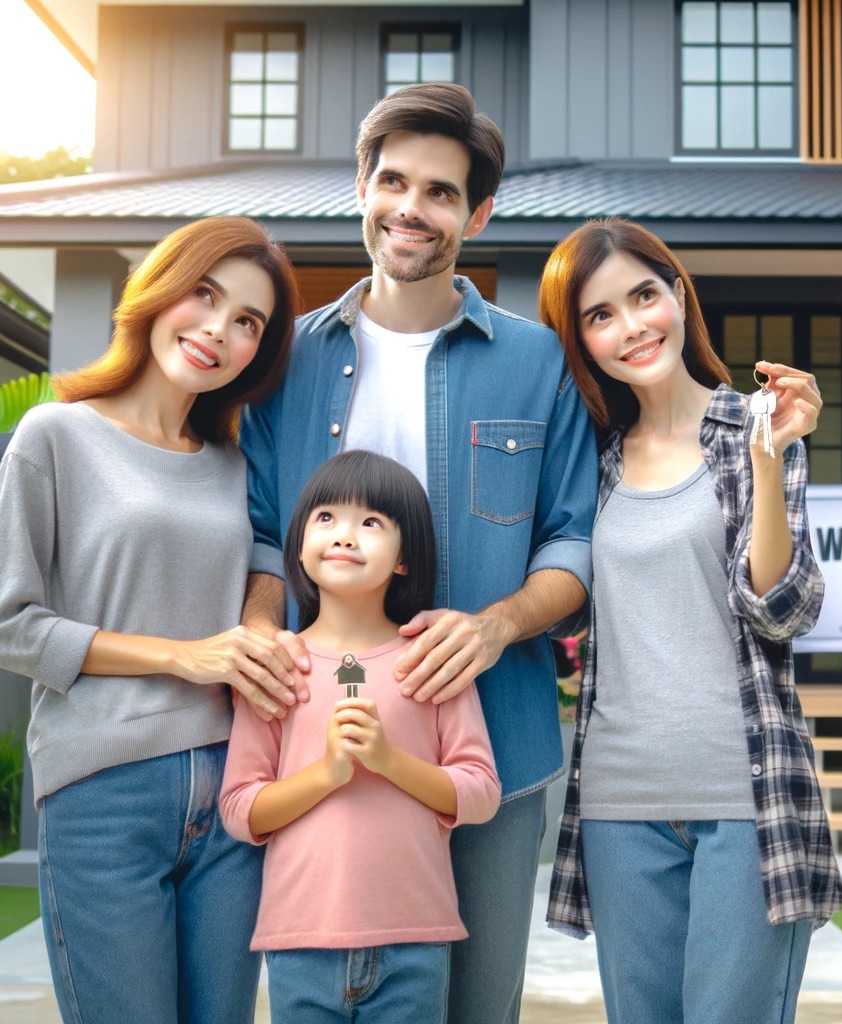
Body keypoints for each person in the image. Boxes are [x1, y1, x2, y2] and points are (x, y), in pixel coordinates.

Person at [239, 82, 598, 1024]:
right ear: (362, 188)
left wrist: (501, 623)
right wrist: (260, 637)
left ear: (477, 212)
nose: (412, 207)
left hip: (492, 748)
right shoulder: (288, 360)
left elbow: (574, 537)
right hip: (317, 745)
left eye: (441, 192)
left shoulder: (540, 362)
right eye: (393, 180)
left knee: (480, 1010)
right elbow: (259, 530)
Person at [538, 218, 842, 1024]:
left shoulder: (753, 427)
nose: (632, 326)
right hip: (616, 800)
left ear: (679, 294)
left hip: (744, 796)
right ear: (582, 341)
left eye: (644, 295)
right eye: (600, 315)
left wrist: (769, 460)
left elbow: (779, 609)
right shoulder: (591, 459)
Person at [0, 216, 305, 1024]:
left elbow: (267, 560)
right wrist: (184, 657)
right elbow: (11, 624)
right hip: (105, 792)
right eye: (205, 295)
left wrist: (260, 629)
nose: (218, 330)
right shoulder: (56, 435)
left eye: (248, 321)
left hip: (234, 793)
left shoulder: (236, 464)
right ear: (159, 290)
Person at [220, 449, 501, 1023]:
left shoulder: (430, 661)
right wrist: (326, 774)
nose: (345, 535)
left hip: (415, 940)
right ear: (297, 544)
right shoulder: (278, 665)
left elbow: (481, 793)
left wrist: (387, 758)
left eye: (371, 523)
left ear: (404, 560)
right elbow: (239, 810)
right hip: (299, 942)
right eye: (326, 518)